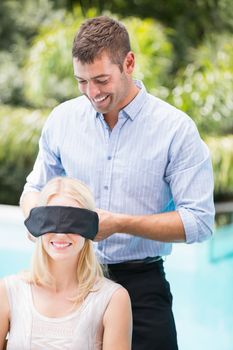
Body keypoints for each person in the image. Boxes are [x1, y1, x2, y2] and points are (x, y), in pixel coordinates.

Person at [20, 16, 215, 350]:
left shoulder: (176, 130)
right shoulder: (63, 120)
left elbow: (198, 221)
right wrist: (36, 219)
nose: (92, 93)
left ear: (129, 63)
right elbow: (34, 189)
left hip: (142, 288)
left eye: (101, 80)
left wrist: (121, 224)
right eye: (81, 81)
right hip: (68, 282)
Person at [0, 177, 132, 350]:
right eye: (51, 221)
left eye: (73, 222)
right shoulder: (8, 292)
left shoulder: (113, 299)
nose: (61, 234)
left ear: (89, 227)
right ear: (39, 224)